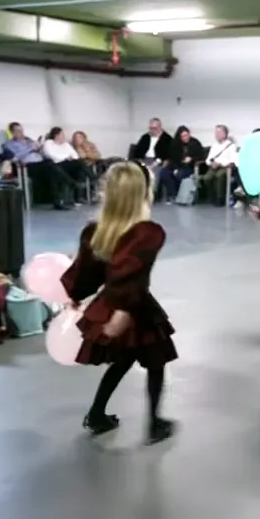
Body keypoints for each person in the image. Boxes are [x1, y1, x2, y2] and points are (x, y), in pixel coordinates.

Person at [59, 161, 177, 445]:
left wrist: (75, 295)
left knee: (123, 361)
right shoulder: (147, 233)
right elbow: (130, 272)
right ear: (141, 193)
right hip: (134, 306)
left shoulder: (97, 232)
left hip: (117, 303)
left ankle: (98, 414)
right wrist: (122, 310)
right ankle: (154, 423)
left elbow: (87, 271)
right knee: (156, 361)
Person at [157, 125, 204, 204]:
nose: (185, 138)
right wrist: (175, 168)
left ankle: (180, 196)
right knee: (164, 173)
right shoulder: (174, 144)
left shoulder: (195, 143)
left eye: (186, 135)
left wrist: (191, 159)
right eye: (183, 136)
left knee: (180, 174)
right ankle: (172, 195)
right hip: (175, 165)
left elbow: (200, 156)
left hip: (189, 167)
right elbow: (172, 158)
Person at [200, 124, 238, 205]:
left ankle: (220, 198)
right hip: (213, 166)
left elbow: (233, 160)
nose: (216, 134)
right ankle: (212, 196)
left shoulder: (231, 145)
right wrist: (211, 163)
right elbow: (208, 159)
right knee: (207, 178)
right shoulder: (214, 145)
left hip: (225, 167)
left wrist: (220, 163)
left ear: (225, 133)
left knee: (219, 176)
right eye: (216, 132)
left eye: (219, 132)